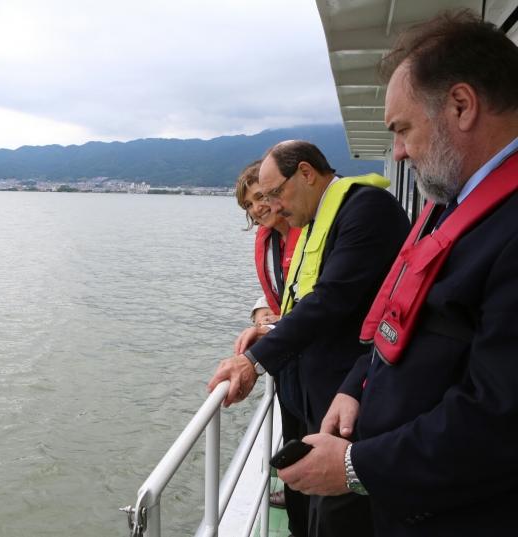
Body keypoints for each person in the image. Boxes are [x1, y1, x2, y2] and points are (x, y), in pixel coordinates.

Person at [278, 10, 518, 535]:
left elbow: (500, 417)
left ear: (461, 105)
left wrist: (352, 468)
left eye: (403, 129)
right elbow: (404, 323)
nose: (398, 152)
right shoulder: (450, 206)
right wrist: (356, 387)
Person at [208, 140, 410, 537]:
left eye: (275, 194)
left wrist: (253, 360)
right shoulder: (319, 220)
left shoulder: (366, 210)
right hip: (319, 395)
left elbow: (331, 299)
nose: (274, 207)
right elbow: (302, 301)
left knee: (339, 518)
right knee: (313, 512)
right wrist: (268, 329)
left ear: (305, 173)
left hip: (352, 398)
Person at [235, 160, 309, 536]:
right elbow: (278, 296)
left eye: (262, 196)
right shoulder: (271, 240)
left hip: (311, 356)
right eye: (250, 204)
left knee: (309, 435)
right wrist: (261, 315)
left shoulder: (309, 233)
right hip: (287, 356)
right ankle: (297, 498)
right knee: (293, 433)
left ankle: (306, 507)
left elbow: (312, 301)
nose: (259, 207)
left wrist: (259, 349)